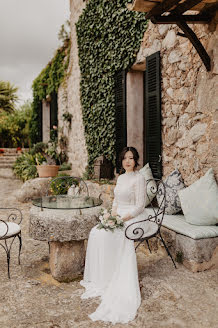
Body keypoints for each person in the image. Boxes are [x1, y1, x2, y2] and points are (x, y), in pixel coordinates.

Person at [80, 147, 150, 324]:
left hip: (134, 217)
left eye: (131, 158)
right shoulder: (121, 178)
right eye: (125, 158)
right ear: (121, 161)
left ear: (136, 161)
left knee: (114, 235)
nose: (128, 161)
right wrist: (110, 216)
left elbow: (141, 205)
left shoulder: (139, 178)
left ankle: (115, 274)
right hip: (119, 215)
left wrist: (123, 218)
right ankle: (103, 276)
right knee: (96, 232)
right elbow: (116, 201)